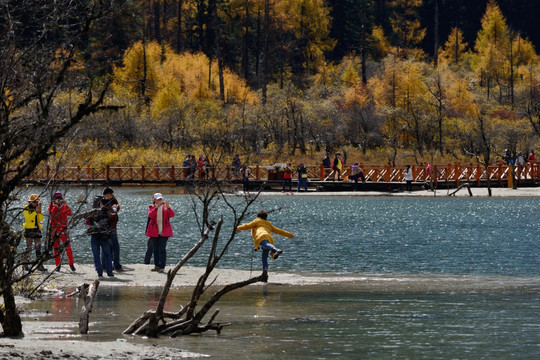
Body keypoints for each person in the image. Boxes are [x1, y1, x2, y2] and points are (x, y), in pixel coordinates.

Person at [236, 209, 295, 279]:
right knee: (264, 258)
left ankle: (275, 250)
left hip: (260, 236)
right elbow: (278, 231)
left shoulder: (256, 221)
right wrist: (289, 235)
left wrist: (237, 228)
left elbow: (247, 226)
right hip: (269, 238)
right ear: (266, 217)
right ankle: (265, 273)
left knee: (265, 245)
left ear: (258, 216)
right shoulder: (268, 224)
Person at [145, 193, 175, 273]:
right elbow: (150, 215)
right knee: (155, 249)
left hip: (163, 231)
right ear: (154, 199)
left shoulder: (166, 207)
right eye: (157, 199)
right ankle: (157, 265)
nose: (159, 200)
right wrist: (156, 208)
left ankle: (162, 266)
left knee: (162, 249)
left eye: (160, 199)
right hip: (154, 231)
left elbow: (172, 215)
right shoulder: (151, 207)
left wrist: (169, 207)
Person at [48, 191, 75, 271]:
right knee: (56, 248)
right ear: (54, 199)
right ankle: (58, 265)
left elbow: (70, 213)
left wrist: (66, 205)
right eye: (57, 198)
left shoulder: (64, 205)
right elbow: (51, 214)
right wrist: (56, 206)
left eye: (60, 198)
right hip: (54, 230)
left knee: (68, 247)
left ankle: (71, 264)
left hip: (64, 229)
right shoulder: (51, 205)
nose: (59, 200)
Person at [86, 198, 114, 277]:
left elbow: (88, 222)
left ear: (100, 203)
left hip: (95, 235)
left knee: (96, 255)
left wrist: (93, 223)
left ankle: (99, 272)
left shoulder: (95, 212)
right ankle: (110, 272)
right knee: (108, 255)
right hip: (105, 236)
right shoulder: (110, 212)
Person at [100, 187, 124, 272]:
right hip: (111, 228)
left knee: (105, 247)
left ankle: (104, 266)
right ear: (109, 194)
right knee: (115, 248)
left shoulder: (101, 201)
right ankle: (117, 266)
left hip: (103, 228)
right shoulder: (113, 201)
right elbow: (115, 212)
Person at [22, 194, 46, 271]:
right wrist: (36, 212)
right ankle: (25, 264)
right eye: (35, 202)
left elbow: (41, 219)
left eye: (37, 202)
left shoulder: (37, 208)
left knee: (38, 247)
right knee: (28, 247)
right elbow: (28, 218)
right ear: (30, 201)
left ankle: (39, 265)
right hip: (29, 229)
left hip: (37, 229)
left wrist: (39, 211)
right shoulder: (26, 208)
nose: (36, 203)